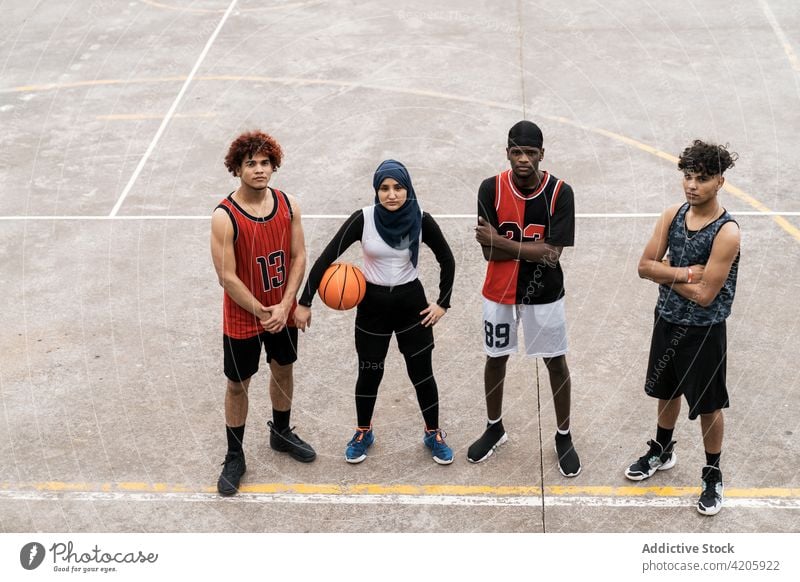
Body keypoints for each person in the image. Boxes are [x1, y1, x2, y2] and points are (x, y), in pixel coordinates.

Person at [295, 159, 456, 465]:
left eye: (398, 187)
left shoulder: (422, 219)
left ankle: (433, 432)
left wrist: (442, 303)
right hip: (373, 306)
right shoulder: (364, 219)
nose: (391, 194)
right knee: (370, 373)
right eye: (384, 188)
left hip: (412, 304)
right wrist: (305, 301)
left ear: (407, 189)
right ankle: (363, 431)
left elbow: (447, 260)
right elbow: (326, 258)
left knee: (421, 374)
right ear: (376, 190)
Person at [625, 140, 740, 516]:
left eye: (702, 179)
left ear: (720, 181)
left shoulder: (727, 232)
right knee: (666, 391)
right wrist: (685, 273)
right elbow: (643, 266)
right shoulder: (672, 215)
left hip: (704, 332)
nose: (692, 185)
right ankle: (662, 449)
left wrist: (664, 274)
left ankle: (712, 473)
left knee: (709, 405)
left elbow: (706, 296)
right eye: (688, 176)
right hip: (667, 320)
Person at [468, 120, 581, 477]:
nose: (523, 159)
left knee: (555, 362)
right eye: (516, 152)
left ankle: (563, 435)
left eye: (530, 153)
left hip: (544, 295)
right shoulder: (490, 189)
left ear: (542, 155)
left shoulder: (561, 193)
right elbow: (488, 255)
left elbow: (552, 256)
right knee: (495, 358)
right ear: (507, 153)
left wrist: (501, 241)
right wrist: (529, 248)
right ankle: (494, 426)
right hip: (499, 291)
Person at [211, 130, 316, 496]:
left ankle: (281, 433)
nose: (259, 170)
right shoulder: (225, 217)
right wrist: (262, 310)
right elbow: (226, 275)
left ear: (274, 165)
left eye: (265, 163)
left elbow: (299, 256)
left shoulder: (288, 205)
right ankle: (234, 455)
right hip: (244, 316)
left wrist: (286, 305)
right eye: (250, 163)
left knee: (283, 369)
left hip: (281, 311)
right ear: (236, 168)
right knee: (238, 384)